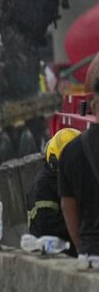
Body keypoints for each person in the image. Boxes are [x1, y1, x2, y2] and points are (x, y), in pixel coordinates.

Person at [60, 88, 99, 256]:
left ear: (94, 105)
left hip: (92, 251)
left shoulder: (71, 150)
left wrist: (82, 246)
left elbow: (67, 205)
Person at [27, 128, 79, 254]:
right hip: (55, 255)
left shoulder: (72, 179)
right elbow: (48, 228)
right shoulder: (42, 189)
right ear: (56, 163)